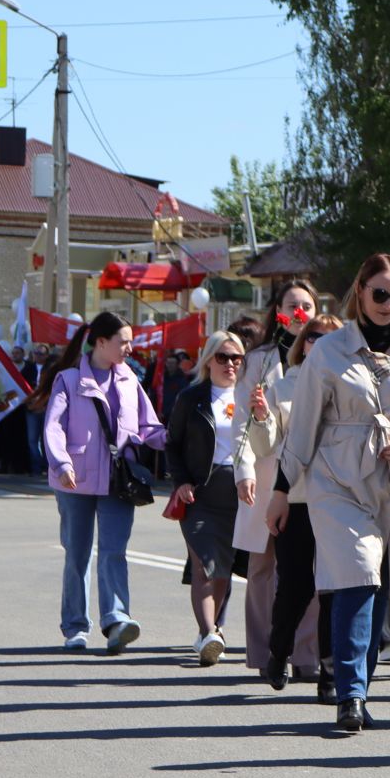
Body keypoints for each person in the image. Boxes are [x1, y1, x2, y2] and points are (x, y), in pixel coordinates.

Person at [279, 253, 390, 733]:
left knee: (379, 583)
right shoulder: (329, 351)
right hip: (337, 479)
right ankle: (349, 694)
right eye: (380, 294)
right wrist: (280, 491)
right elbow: (303, 430)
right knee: (357, 574)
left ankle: (360, 684)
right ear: (360, 291)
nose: (389, 304)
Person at [33, 312, 167, 653]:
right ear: (101, 342)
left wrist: (181, 439)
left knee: (114, 553)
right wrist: (61, 463)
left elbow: (149, 427)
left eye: (131, 341)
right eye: (123, 341)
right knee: (77, 555)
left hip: (118, 481)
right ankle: (75, 627)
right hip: (74, 481)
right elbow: (53, 427)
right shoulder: (68, 379)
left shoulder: (129, 380)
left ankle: (116, 620)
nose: (130, 348)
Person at [228, 281, 317, 681]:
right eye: (292, 305)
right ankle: (265, 651)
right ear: (277, 309)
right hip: (266, 475)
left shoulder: (325, 359)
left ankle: (305, 653)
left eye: (307, 306)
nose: (299, 313)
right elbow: (241, 423)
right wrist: (243, 469)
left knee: (308, 570)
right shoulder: (260, 360)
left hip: (306, 481)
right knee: (263, 569)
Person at [254, 312, 340, 696]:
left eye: (328, 337)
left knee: (334, 590)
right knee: (295, 587)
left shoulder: (350, 382)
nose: (318, 343)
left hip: (340, 499)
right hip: (296, 498)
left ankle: (330, 673)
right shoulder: (285, 384)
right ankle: (278, 653)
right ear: (303, 343)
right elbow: (266, 444)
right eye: (312, 336)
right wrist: (260, 417)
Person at [167, 331, 248, 665]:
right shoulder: (192, 397)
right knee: (202, 562)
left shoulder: (250, 395)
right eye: (222, 357)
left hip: (240, 490)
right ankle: (210, 631)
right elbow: (172, 444)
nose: (230, 364)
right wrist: (182, 480)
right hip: (201, 490)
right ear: (209, 360)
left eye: (236, 358)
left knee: (222, 569)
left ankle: (208, 632)